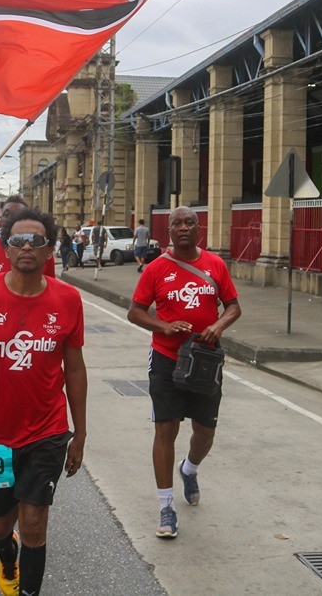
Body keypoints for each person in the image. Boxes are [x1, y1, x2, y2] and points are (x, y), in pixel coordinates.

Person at [0, 207, 87, 596]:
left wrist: (79, 434)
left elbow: (75, 370)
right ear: (6, 249)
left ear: (49, 251)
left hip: (47, 431)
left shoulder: (68, 299)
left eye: (36, 241)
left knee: (34, 525)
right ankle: (6, 553)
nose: (27, 247)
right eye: (18, 241)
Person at [126, 206, 241, 540]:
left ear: (198, 228)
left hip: (205, 360)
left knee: (205, 431)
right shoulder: (156, 268)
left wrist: (219, 325)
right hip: (166, 359)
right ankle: (166, 507)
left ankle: (189, 469)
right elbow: (135, 311)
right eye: (177, 223)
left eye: (190, 222)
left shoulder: (215, 264)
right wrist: (163, 326)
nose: (184, 228)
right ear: (170, 231)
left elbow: (233, 306)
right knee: (165, 430)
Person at [0, 195, 55, 281]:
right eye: (6, 214)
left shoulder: (42, 251)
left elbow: (50, 285)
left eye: (18, 214)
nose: (12, 218)